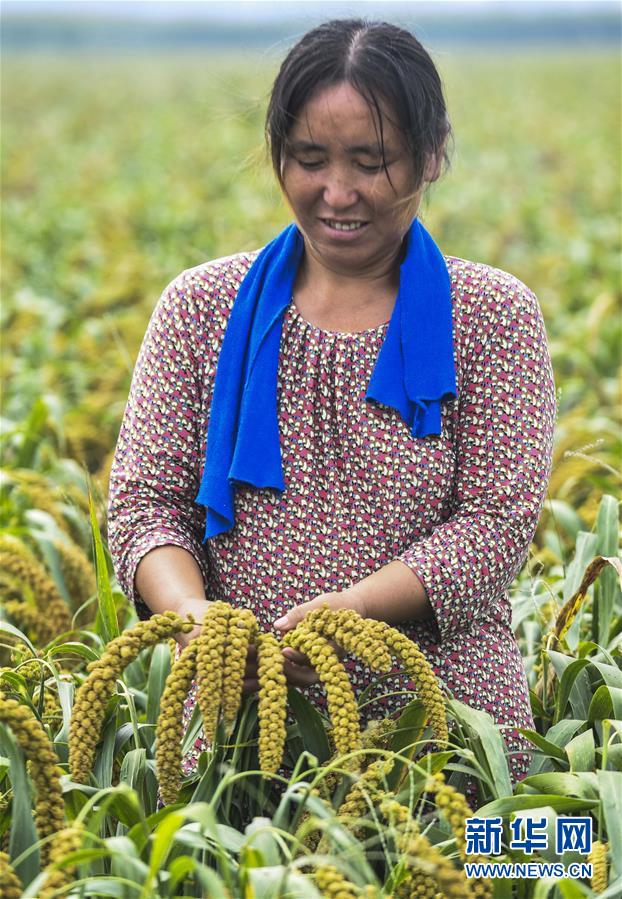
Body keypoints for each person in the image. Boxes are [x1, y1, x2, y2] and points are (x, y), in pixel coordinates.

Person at [107, 18, 556, 786]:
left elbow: (496, 524)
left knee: (545, 859)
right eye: (310, 159)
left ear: (433, 152)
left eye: (370, 162)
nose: (336, 192)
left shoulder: (492, 316)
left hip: (452, 734)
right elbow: (144, 503)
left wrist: (350, 610)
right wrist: (195, 618)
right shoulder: (200, 307)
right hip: (239, 731)